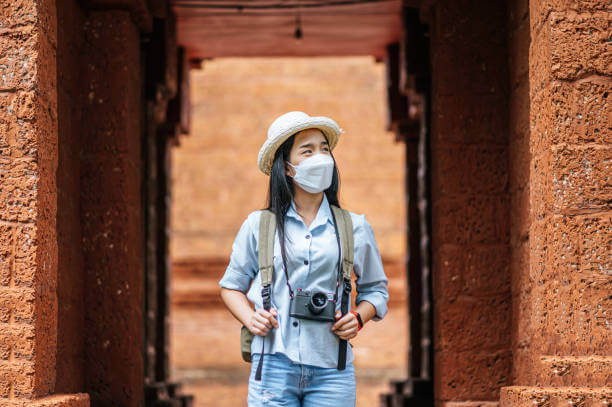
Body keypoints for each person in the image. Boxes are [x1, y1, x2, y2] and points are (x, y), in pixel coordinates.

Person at [218, 111, 390, 406]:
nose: (320, 157)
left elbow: (377, 290)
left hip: (332, 369)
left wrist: (358, 319)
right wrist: (251, 318)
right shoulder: (259, 225)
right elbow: (230, 286)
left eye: (325, 149)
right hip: (271, 365)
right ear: (286, 167)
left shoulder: (355, 227)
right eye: (307, 151)